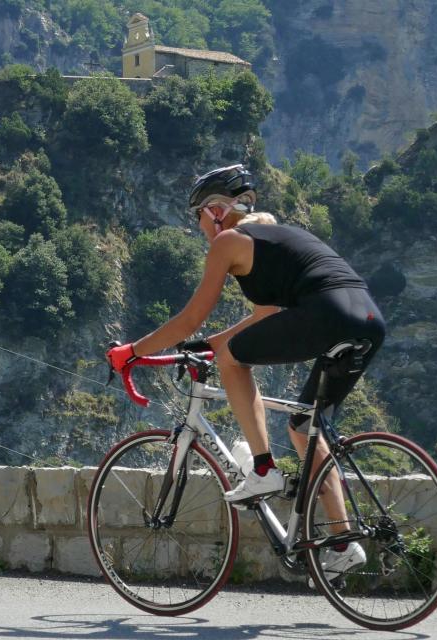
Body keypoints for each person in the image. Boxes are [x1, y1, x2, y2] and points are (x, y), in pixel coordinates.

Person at [107, 164, 386, 575]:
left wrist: (132, 351)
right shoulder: (274, 241)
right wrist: (205, 347)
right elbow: (264, 318)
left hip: (326, 314)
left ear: (216, 211)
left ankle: (263, 469)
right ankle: (343, 542)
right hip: (367, 320)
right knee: (303, 425)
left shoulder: (230, 242)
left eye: (198, 216)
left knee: (232, 361)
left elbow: (189, 319)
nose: (199, 225)